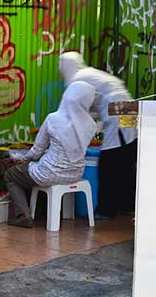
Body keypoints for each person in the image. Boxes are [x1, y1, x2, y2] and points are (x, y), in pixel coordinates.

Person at [4, 80, 96, 228]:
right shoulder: (91, 124)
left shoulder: (53, 119)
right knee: (30, 169)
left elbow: (37, 150)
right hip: (75, 173)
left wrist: (23, 158)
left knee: (11, 175)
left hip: (50, 173)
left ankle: (24, 216)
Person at [57, 51, 137, 218]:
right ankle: (128, 204)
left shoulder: (76, 80)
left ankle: (107, 210)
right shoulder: (89, 72)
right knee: (127, 154)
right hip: (127, 105)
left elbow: (72, 111)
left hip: (117, 108)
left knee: (109, 160)